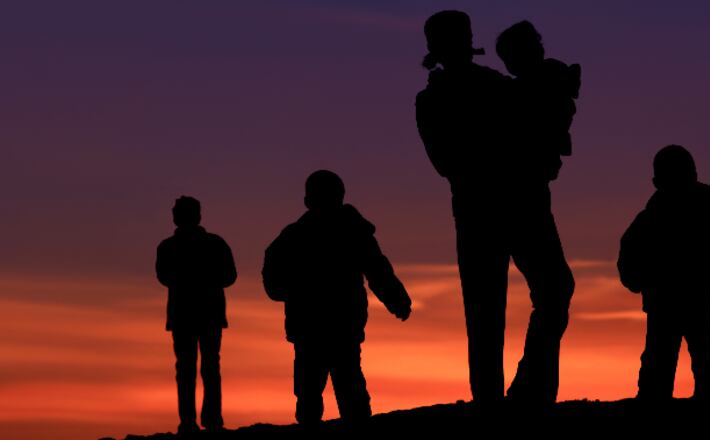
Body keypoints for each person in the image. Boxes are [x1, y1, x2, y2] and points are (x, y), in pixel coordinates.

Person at [415, 11, 575, 407]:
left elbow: (447, 163)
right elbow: (449, 162)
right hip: (511, 207)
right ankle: (524, 394)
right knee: (523, 302)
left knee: (496, 311)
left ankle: (518, 393)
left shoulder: (452, 95)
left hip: (488, 210)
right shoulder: (479, 91)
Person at [262, 170, 412, 425]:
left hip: (324, 323)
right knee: (336, 384)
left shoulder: (298, 235)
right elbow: (377, 269)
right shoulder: (313, 234)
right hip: (327, 322)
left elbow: (377, 269)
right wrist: (397, 300)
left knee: (333, 385)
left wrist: (397, 300)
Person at [618, 145, 710, 401]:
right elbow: (629, 255)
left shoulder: (709, 210)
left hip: (686, 296)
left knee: (694, 356)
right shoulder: (652, 217)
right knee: (668, 359)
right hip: (671, 298)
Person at [156, 196, 237, 434]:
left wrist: (189, 280)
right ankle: (205, 421)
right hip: (202, 314)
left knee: (191, 367)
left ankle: (195, 421)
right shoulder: (213, 244)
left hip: (191, 314)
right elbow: (229, 276)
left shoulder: (169, 247)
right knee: (203, 367)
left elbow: (164, 276)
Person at [495, 20, 581, 181]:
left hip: (535, 159)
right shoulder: (551, 75)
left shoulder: (542, 80)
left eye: (509, 58)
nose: (508, 65)